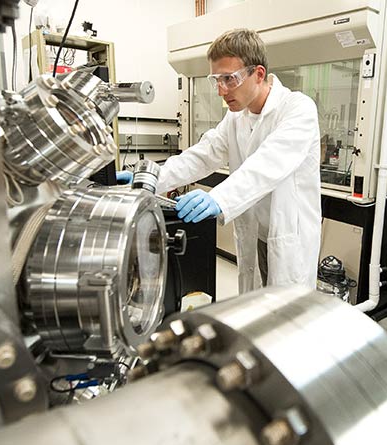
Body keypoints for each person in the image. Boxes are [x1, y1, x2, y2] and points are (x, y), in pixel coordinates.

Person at [121, 28, 321, 293]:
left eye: (229, 79)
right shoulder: (237, 117)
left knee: (288, 317)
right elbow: (202, 155)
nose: (221, 90)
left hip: (288, 236)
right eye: (216, 80)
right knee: (257, 308)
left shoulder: (297, 109)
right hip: (256, 234)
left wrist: (219, 198)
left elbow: (268, 164)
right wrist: (150, 177)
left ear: (258, 74)